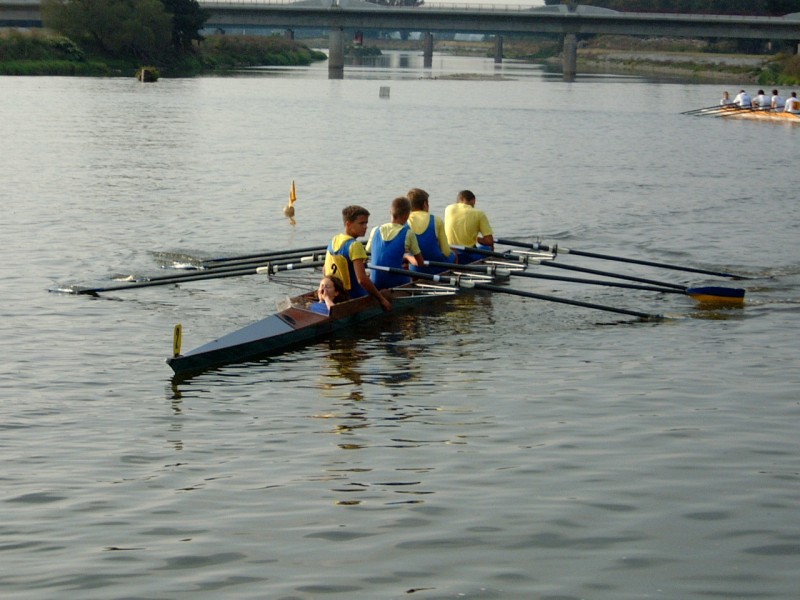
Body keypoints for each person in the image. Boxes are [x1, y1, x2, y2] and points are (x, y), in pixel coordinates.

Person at [324, 205, 392, 311]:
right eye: (361, 223)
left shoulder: (334, 240)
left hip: (336, 295)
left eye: (366, 223)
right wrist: (381, 299)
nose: (365, 227)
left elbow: (325, 270)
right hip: (354, 296)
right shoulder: (355, 245)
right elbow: (362, 280)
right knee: (386, 292)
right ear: (348, 224)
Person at [365, 196, 424, 290]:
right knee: (410, 276)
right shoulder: (408, 233)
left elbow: (368, 250)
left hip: (375, 282)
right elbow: (420, 263)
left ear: (390, 212)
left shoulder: (375, 230)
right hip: (396, 283)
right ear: (407, 215)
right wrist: (407, 256)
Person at [406, 187, 457, 274]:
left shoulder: (405, 222)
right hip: (438, 267)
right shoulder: (436, 220)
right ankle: (453, 277)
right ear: (425, 204)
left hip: (416, 269)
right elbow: (446, 252)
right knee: (454, 255)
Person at [444, 189, 494, 264]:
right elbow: (489, 241)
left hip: (451, 255)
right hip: (466, 256)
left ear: (458, 201)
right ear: (473, 200)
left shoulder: (448, 208)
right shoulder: (479, 213)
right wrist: (478, 239)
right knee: (488, 248)